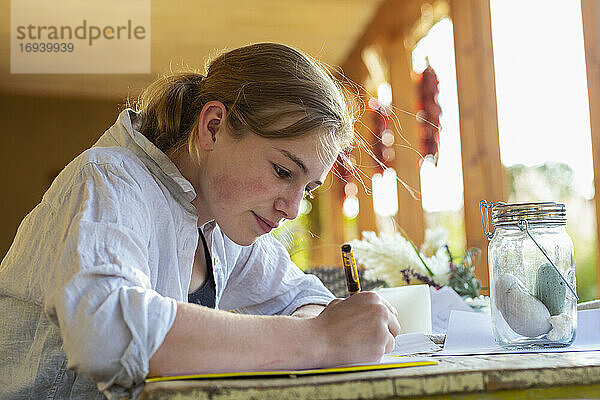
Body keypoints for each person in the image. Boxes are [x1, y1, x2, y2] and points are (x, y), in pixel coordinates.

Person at [0, 43, 400, 399]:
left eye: (308, 188)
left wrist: (324, 332)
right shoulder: (110, 180)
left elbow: (305, 299)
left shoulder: (220, 223)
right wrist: (319, 339)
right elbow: (106, 333)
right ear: (213, 128)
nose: (293, 209)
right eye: (282, 172)